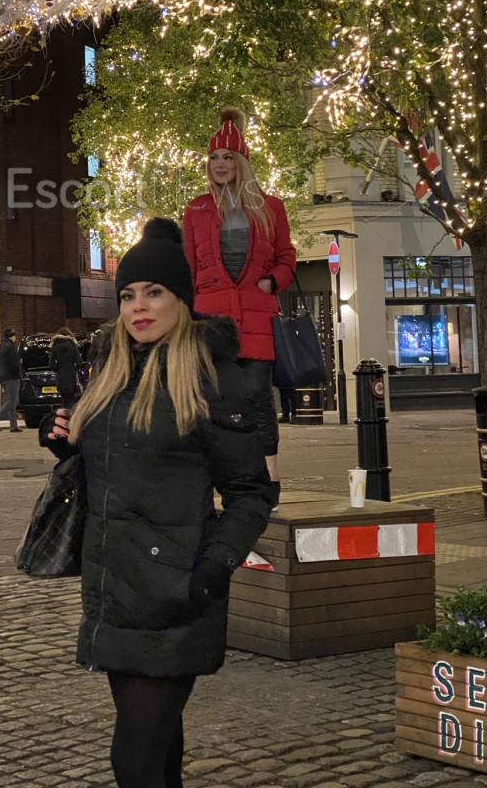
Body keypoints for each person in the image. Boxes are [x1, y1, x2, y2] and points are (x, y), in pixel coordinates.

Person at [40, 218, 274, 788]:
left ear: (182, 301)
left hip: (175, 593)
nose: (138, 307)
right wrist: (63, 443)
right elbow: (109, 465)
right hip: (113, 588)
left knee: (134, 761)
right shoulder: (112, 372)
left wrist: (213, 568)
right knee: (158, 748)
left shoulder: (212, 378)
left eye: (154, 292)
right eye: (127, 296)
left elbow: (251, 491)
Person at [182, 107, 296, 506]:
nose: (219, 164)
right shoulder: (196, 209)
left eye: (228, 157)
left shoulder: (270, 207)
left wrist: (273, 281)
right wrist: (186, 311)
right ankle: (224, 479)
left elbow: (286, 256)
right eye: (213, 157)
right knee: (213, 400)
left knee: (257, 397)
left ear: (241, 161)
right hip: (210, 319)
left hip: (256, 315)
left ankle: (268, 478)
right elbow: (188, 264)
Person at [0, 328, 21, 432]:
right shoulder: (11, 347)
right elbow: (15, 363)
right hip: (12, 377)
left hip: (3, 377)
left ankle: (13, 425)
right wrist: (19, 372)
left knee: (12, 401)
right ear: (11, 336)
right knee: (13, 401)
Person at [49, 326, 84, 410]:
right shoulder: (73, 346)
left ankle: (64, 413)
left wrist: (57, 369)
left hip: (61, 375)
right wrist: (74, 368)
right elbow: (79, 362)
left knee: (63, 398)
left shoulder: (55, 346)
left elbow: (51, 363)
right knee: (71, 399)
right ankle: (70, 415)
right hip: (71, 374)